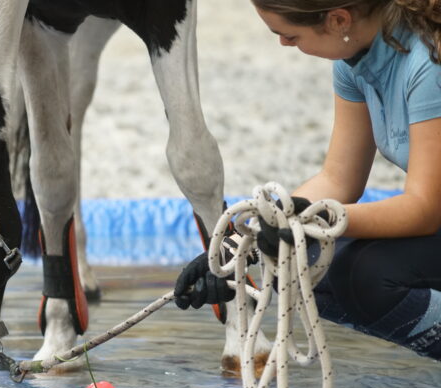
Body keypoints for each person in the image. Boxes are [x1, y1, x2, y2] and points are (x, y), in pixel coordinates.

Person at [174, 0, 441, 359]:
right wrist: (237, 245)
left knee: (364, 276)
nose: (283, 44)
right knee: (301, 263)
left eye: (289, 35)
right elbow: (339, 178)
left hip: (431, 212)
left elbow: (424, 209)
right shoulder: (355, 58)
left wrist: (316, 220)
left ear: (339, 20)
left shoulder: (428, 65)